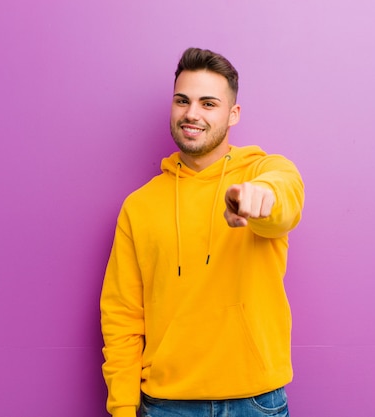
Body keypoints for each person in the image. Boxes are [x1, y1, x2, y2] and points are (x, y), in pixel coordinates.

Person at [100, 47, 305, 417]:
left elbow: (285, 199)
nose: (192, 114)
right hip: (165, 405)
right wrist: (122, 407)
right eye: (183, 101)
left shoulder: (263, 172)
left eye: (208, 103)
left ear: (233, 114)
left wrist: (261, 198)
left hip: (256, 402)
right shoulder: (139, 206)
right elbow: (122, 316)